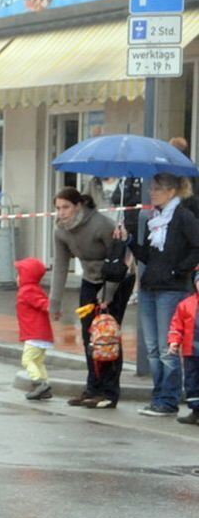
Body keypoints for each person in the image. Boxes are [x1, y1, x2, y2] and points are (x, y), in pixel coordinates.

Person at [116, 173, 199, 417]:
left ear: (172, 191)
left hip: (172, 290)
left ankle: (168, 399)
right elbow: (148, 257)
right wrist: (129, 240)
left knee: (167, 348)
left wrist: (178, 270)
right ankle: (158, 395)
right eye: (151, 188)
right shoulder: (156, 219)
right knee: (152, 347)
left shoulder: (183, 217)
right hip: (150, 287)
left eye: (157, 189)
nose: (151, 193)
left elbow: (197, 247)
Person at [50, 188, 134, 409]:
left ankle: (109, 393)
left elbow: (120, 259)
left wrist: (108, 294)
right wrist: (54, 303)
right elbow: (59, 267)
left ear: (78, 206)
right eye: (58, 208)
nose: (61, 212)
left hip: (117, 278)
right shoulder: (60, 230)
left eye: (66, 207)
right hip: (90, 279)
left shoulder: (101, 224)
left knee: (107, 333)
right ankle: (92, 388)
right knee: (90, 336)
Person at [16, 257, 53, 400]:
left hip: (35, 334)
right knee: (37, 361)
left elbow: (42, 303)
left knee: (27, 360)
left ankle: (38, 383)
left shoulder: (27, 290)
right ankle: (45, 384)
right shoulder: (32, 289)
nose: (17, 278)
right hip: (40, 333)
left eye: (19, 274)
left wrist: (51, 307)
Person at [167, 273, 199, 425]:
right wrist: (174, 342)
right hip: (191, 352)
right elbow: (177, 326)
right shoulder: (186, 304)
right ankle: (195, 410)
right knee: (192, 381)